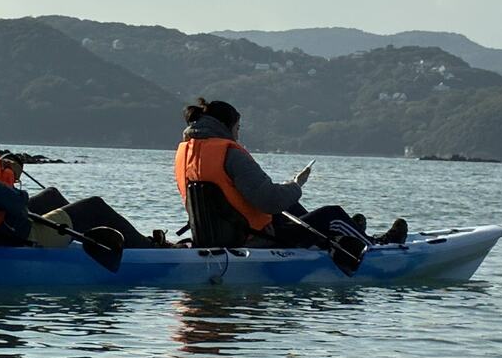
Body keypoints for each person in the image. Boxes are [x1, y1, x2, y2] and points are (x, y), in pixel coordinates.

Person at [0, 83, 155, 247]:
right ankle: (150, 251)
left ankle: (79, 244)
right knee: (94, 207)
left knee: (51, 197)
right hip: (3, 233)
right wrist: (19, 198)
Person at [173, 98, 407, 248]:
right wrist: (296, 185)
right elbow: (270, 201)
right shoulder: (230, 153)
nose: (238, 134)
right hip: (249, 240)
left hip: (212, 235)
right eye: (238, 128)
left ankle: (346, 234)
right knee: (332, 214)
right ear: (227, 126)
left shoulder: (185, 153)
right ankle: (377, 246)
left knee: (290, 208)